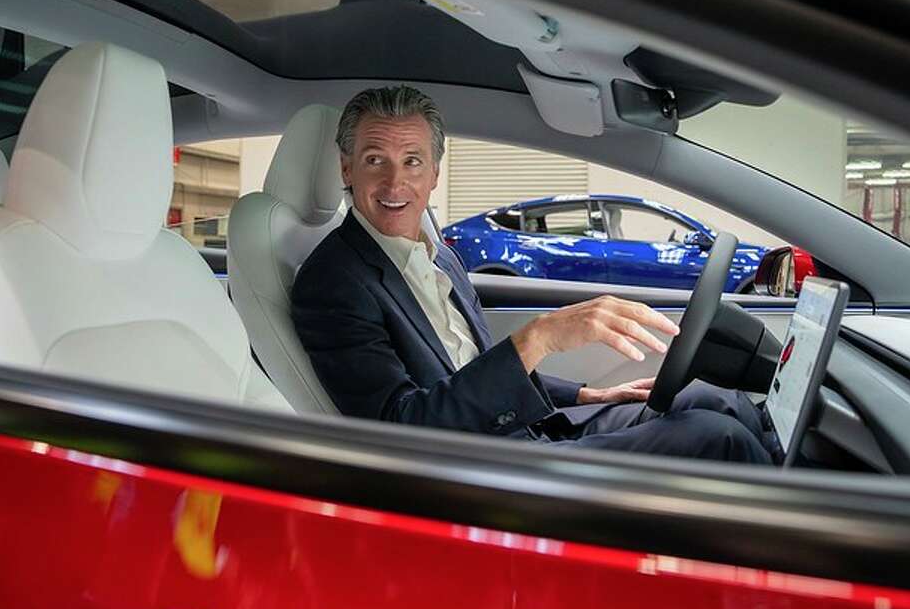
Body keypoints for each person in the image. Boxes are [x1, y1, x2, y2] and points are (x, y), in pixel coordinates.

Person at [291, 86, 774, 463]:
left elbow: (471, 368)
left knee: (714, 402)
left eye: (412, 161)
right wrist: (537, 338)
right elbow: (401, 429)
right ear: (347, 169)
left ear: (434, 173)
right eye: (376, 160)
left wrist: (588, 394)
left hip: (523, 428)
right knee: (717, 439)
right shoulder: (332, 282)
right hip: (482, 469)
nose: (395, 182)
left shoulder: (438, 253)